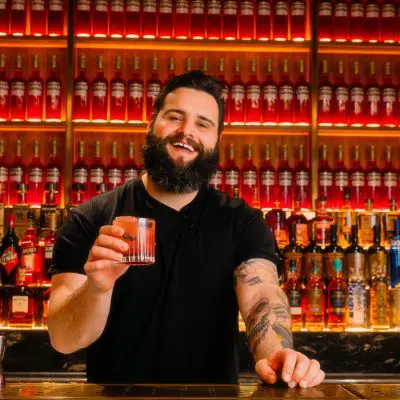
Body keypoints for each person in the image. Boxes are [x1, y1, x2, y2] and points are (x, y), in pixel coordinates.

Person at [48, 70, 325, 387]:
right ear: (151, 125)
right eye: (174, 117)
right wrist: (97, 288)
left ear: (217, 140)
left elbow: (262, 297)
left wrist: (279, 355)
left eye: (203, 124)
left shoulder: (241, 222)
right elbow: (63, 339)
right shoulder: (91, 218)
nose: (185, 131)